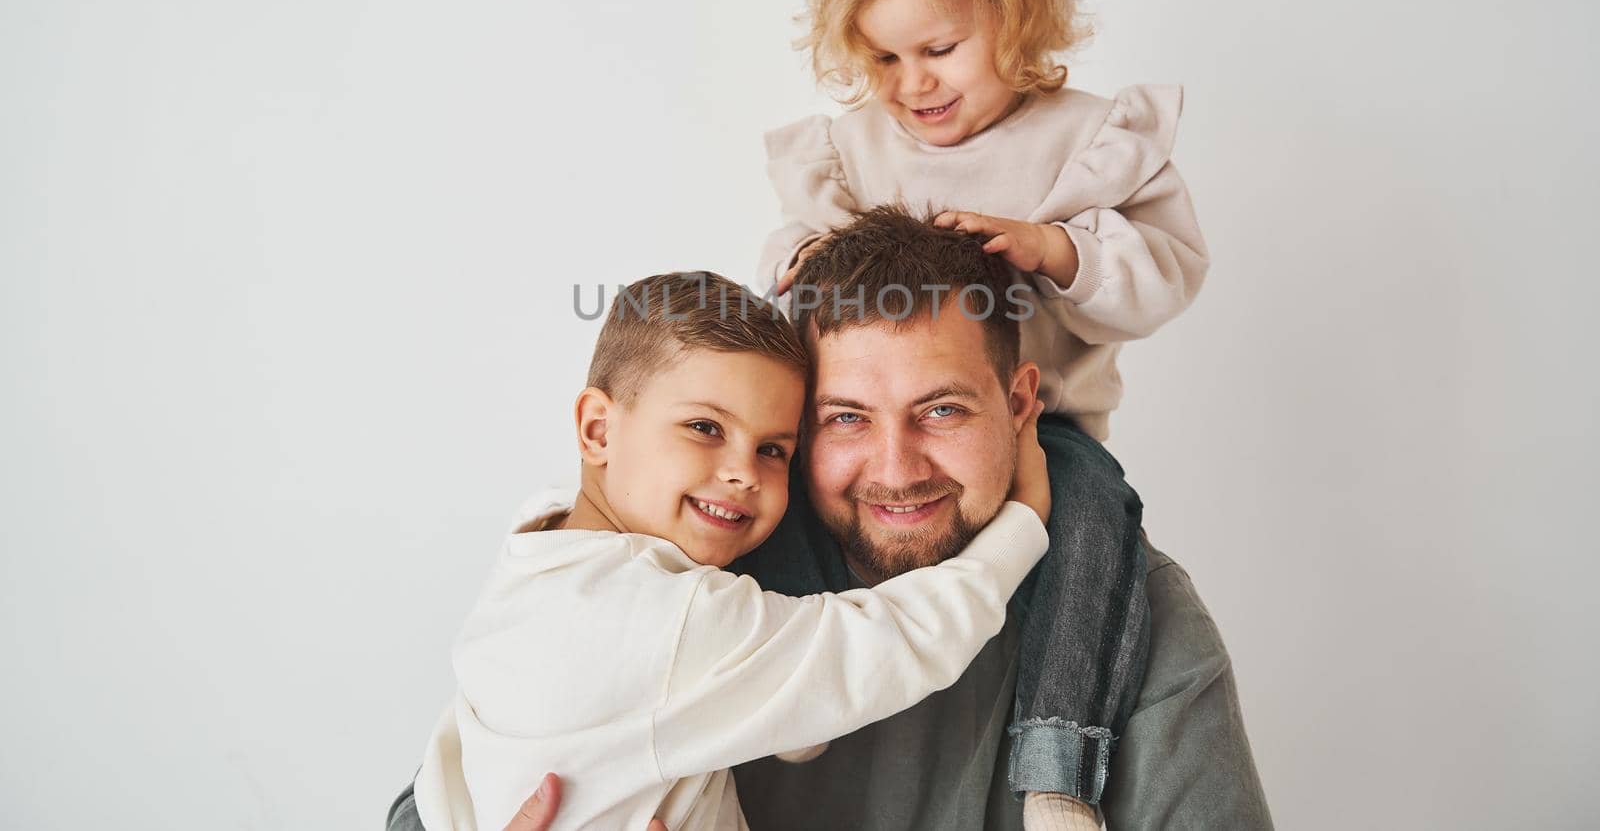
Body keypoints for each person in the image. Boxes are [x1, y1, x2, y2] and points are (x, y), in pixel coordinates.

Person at [387, 208, 1270, 831]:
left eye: (943, 410)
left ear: (1021, 403)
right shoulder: (697, 575)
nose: (895, 468)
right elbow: (444, 788)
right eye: (844, 417)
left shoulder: (1132, 619)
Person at [756, 0, 1210, 827]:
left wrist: (1055, 249)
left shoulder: (1088, 140)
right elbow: (788, 259)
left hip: (1051, 430)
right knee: (776, 483)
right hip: (872, 431)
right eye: (882, 59)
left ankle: (1055, 763)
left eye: (939, 48)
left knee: (1094, 520)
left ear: (1018, 15)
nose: (910, 83)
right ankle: (793, 671)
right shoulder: (856, 148)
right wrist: (807, 256)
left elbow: (1170, 269)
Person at [404, 270, 1056, 831]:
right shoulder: (661, 614)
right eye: (705, 427)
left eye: (774, 448)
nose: (744, 471)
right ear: (598, 428)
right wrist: (1025, 519)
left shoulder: (538, 549)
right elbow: (897, 641)